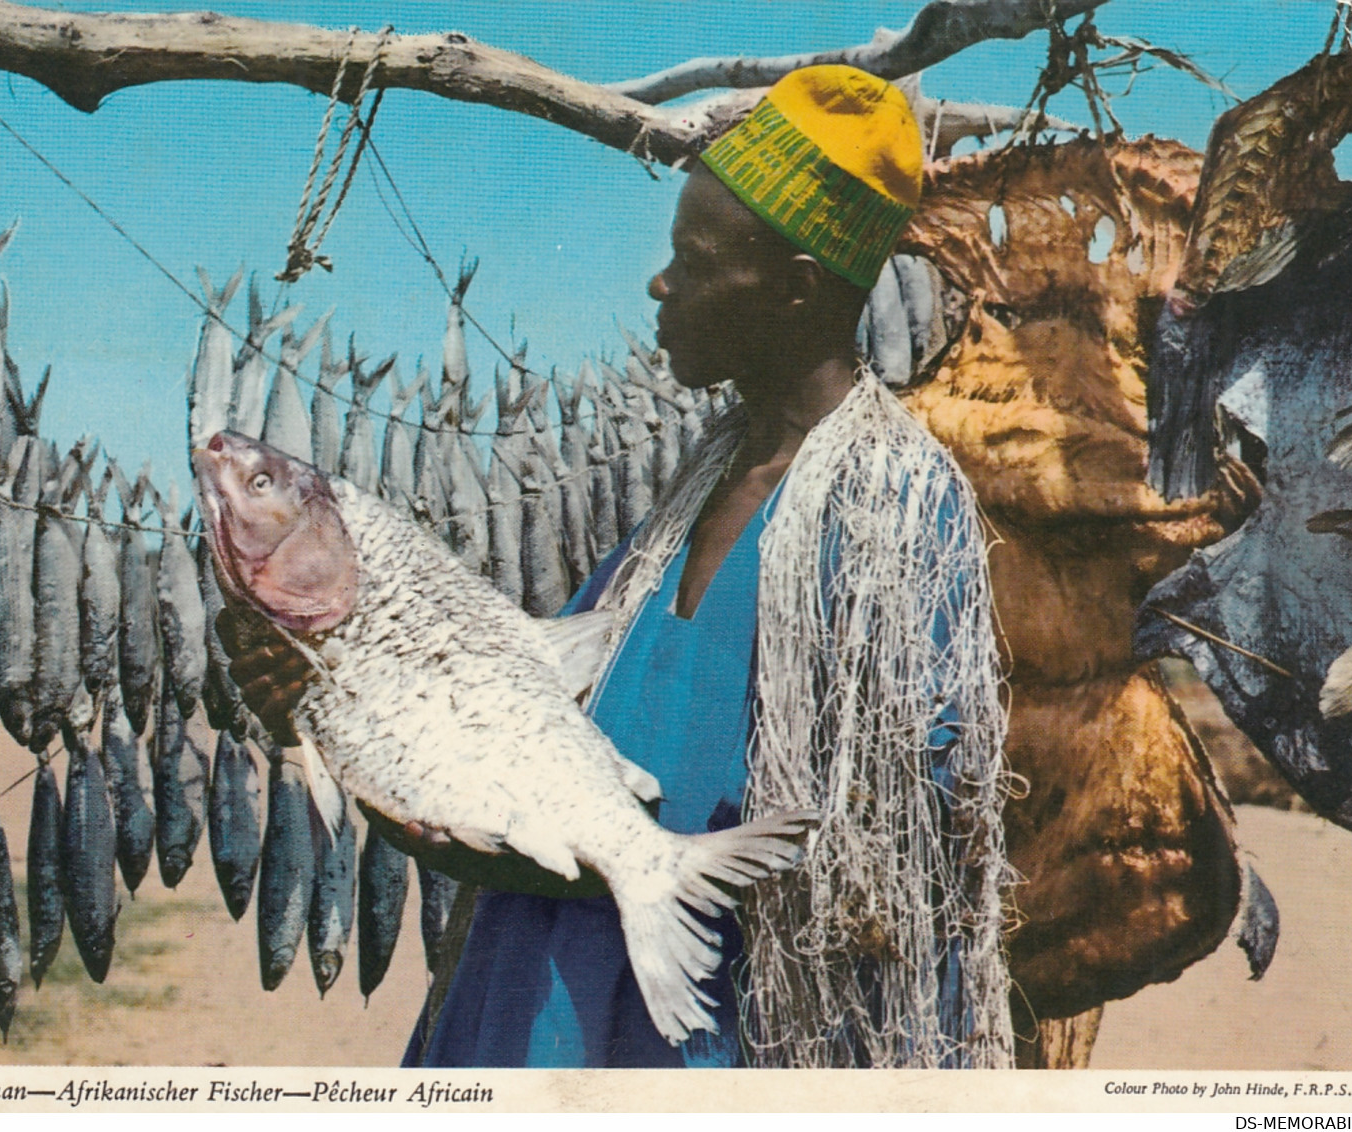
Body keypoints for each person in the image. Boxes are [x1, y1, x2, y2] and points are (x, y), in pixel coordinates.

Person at [226, 65, 1013, 1070]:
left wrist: (564, 863)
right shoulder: (693, 490)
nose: (661, 284)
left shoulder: (899, 510)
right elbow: (543, 726)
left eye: (691, 257)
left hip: (706, 1035)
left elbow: (876, 854)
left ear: (795, 288)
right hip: (532, 1003)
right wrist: (330, 691)